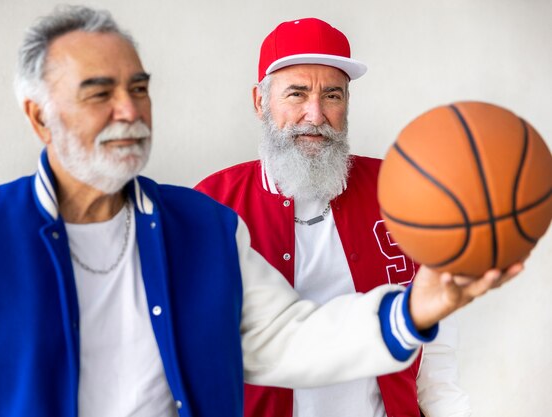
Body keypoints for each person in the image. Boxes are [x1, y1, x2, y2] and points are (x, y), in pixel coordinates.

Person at [0, 7, 520, 417]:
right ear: (39, 117)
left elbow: (290, 337)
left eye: (139, 88)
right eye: (98, 92)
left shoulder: (200, 229)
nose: (128, 110)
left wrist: (423, 306)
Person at [196, 18, 473, 417]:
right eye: (296, 93)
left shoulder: (401, 192)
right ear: (260, 102)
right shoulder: (210, 207)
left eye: (332, 95)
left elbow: (437, 355)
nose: (315, 114)